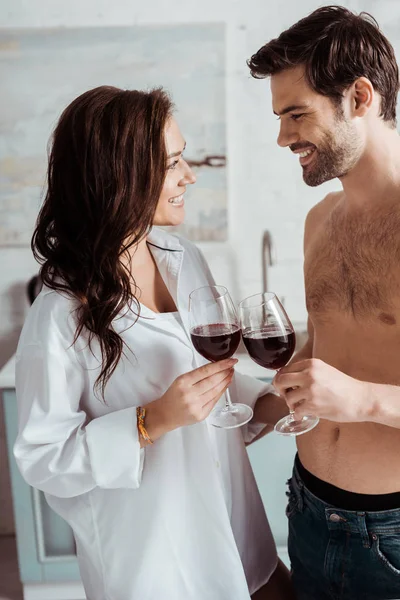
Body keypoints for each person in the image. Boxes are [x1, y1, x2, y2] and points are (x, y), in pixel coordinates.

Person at [13, 85, 294, 600]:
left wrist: (269, 402)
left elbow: (206, 380)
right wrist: (150, 421)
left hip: (236, 530)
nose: (189, 176)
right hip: (154, 563)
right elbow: (42, 456)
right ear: (118, 174)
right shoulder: (59, 312)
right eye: (173, 163)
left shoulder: (183, 256)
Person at [248, 5, 400, 600]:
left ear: (359, 97)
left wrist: (360, 400)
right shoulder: (320, 222)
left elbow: (354, 387)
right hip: (308, 507)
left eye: (296, 114)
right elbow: (328, 341)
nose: (284, 137)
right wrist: (263, 409)